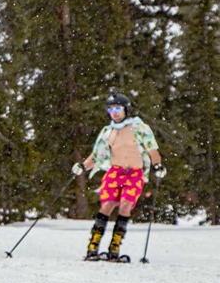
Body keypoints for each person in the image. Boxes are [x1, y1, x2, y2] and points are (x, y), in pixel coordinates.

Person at [71, 92, 165, 261]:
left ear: (125, 109)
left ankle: (114, 248)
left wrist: (157, 166)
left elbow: (153, 151)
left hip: (134, 173)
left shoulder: (139, 128)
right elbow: (96, 156)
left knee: (126, 205)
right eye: (111, 109)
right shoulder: (108, 132)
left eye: (118, 108)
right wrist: (83, 167)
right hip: (115, 172)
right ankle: (93, 247)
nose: (114, 112)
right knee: (106, 205)